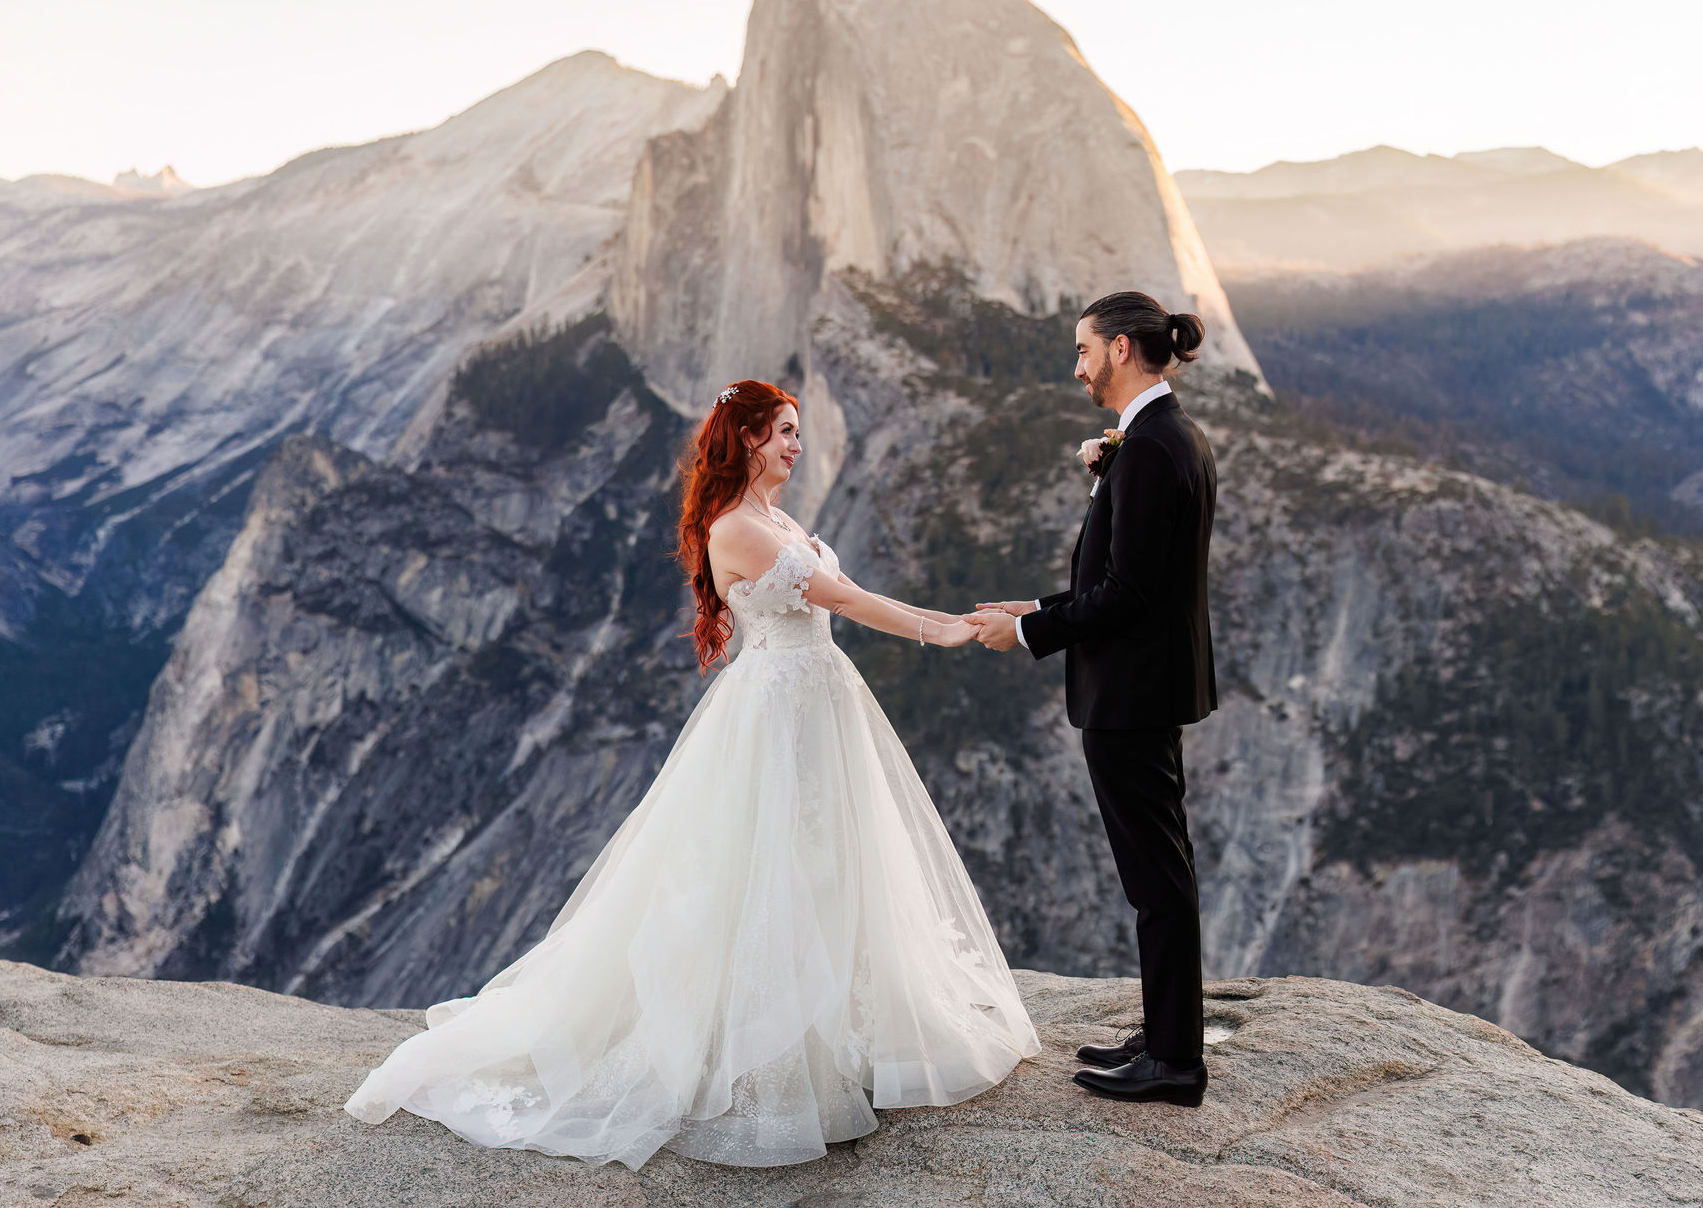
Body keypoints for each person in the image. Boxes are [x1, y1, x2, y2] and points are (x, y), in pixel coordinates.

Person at [345, 379, 1040, 1168]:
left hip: (818, 706)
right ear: (746, 438)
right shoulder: (738, 529)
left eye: (797, 431)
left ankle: (840, 1027)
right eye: (783, 431)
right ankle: (776, 1046)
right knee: (768, 866)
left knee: (831, 860)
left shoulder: (776, 518)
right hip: (776, 715)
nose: (796, 444)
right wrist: (944, 630)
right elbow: (839, 596)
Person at [972, 290, 1218, 1108]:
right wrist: (1035, 607)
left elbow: (1128, 594)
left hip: (1132, 694)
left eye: (1082, 350)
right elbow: (1121, 580)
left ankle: (1176, 1061)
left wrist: (1034, 634)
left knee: (1156, 878)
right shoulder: (1161, 435)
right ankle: (1167, 1029)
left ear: (1119, 348)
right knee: (1160, 870)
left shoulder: (1148, 449)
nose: (1076, 367)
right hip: (1145, 686)